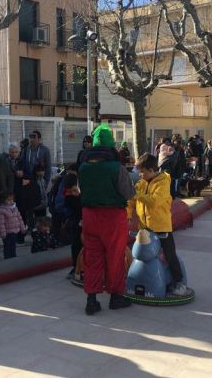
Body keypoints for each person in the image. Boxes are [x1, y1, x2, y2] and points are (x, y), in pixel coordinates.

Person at [79, 123, 135, 315]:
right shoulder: (116, 167)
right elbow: (128, 193)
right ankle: (115, 297)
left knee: (92, 257)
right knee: (115, 257)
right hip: (112, 217)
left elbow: (81, 191)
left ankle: (91, 300)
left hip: (89, 216)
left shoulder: (84, 167)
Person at [127, 153, 193, 296]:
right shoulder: (141, 183)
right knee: (141, 254)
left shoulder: (163, 183)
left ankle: (179, 282)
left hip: (161, 227)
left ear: (151, 170)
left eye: (142, 172)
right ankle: (143, 280)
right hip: (144, 227)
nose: (140, 175)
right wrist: (128, 213)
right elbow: (132, 201)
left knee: (170, 254)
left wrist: (138, 195)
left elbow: (154, 201)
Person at [63, 173, 83, 279]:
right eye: (71, 191)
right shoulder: (69, 197)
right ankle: (76, 267)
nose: (73, 193)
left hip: (85, 223)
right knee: (76, 245)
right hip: (75, 224)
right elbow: (70, 210)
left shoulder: (83, 194)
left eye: (75, 190)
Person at [0, 192, 26, 259]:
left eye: (12, 200)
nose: (11, 201)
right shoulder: (1, 210)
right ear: (3, 200)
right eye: (8, 200)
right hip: (7, 233)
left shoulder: (15, 208)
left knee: (13, 247)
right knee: (7, 248)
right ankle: (8, 260)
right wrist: (3, 233)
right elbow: (1, 224)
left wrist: (22, 228)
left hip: (15, 231)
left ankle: (13, 259)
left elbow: (20, 218)